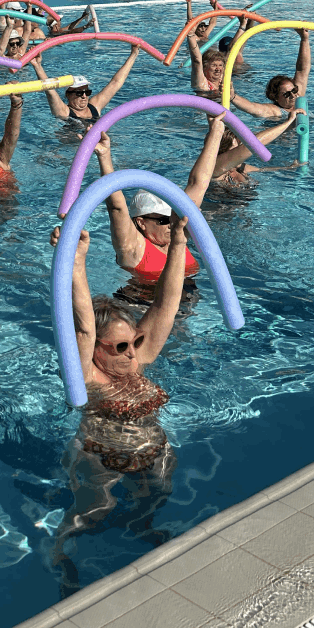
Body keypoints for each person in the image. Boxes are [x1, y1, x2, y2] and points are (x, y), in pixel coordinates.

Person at [47, 214, 189, 595]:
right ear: (95, 352)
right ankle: (60, 555)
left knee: (160, 492)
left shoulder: (138, 360)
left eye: (135, 343)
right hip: (99, 455)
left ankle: (142, 526)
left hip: (153, 449)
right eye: (120, 347)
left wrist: (177, 241)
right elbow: (82, 327)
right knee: (93, 512)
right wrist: (76, 262)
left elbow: (167, 303)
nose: (131, 354)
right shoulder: (87, 376)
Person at [92, 116, 223, 282]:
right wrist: (104, 156)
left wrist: (216, 133)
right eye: (164, 220)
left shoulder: (178, 231)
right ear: (141, 222)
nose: (173, 222)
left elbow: (198, 183)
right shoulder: (133, 247)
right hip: (143, 306)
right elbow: (116, 208)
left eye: (174, 214)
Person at [30, 46, 140, 125]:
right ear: (68, 95)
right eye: (79, 92)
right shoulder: (64, 112)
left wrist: (134, 54)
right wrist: (37, 66)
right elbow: (50, 89)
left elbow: (115, 83)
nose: (84, 96)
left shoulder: (94, 106)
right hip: (72, 148)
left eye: (87, 92)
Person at [225, 29, 314, 119]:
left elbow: (302, 70)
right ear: (275, 97)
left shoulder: (298, 97)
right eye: (286, 94)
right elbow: (252, 107)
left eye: (294, 90)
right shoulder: (275, 111)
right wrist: (233, 97)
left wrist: (304, 39)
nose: (293, 95)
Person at [209, 109, 306, 186]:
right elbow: (253, 143)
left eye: (241, 145)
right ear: (222, 150)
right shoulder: (214, 167)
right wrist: (287, 123)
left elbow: (263, 170)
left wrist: (291, 168)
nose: (240, 151)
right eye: (236, 148)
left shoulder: (242, 168)